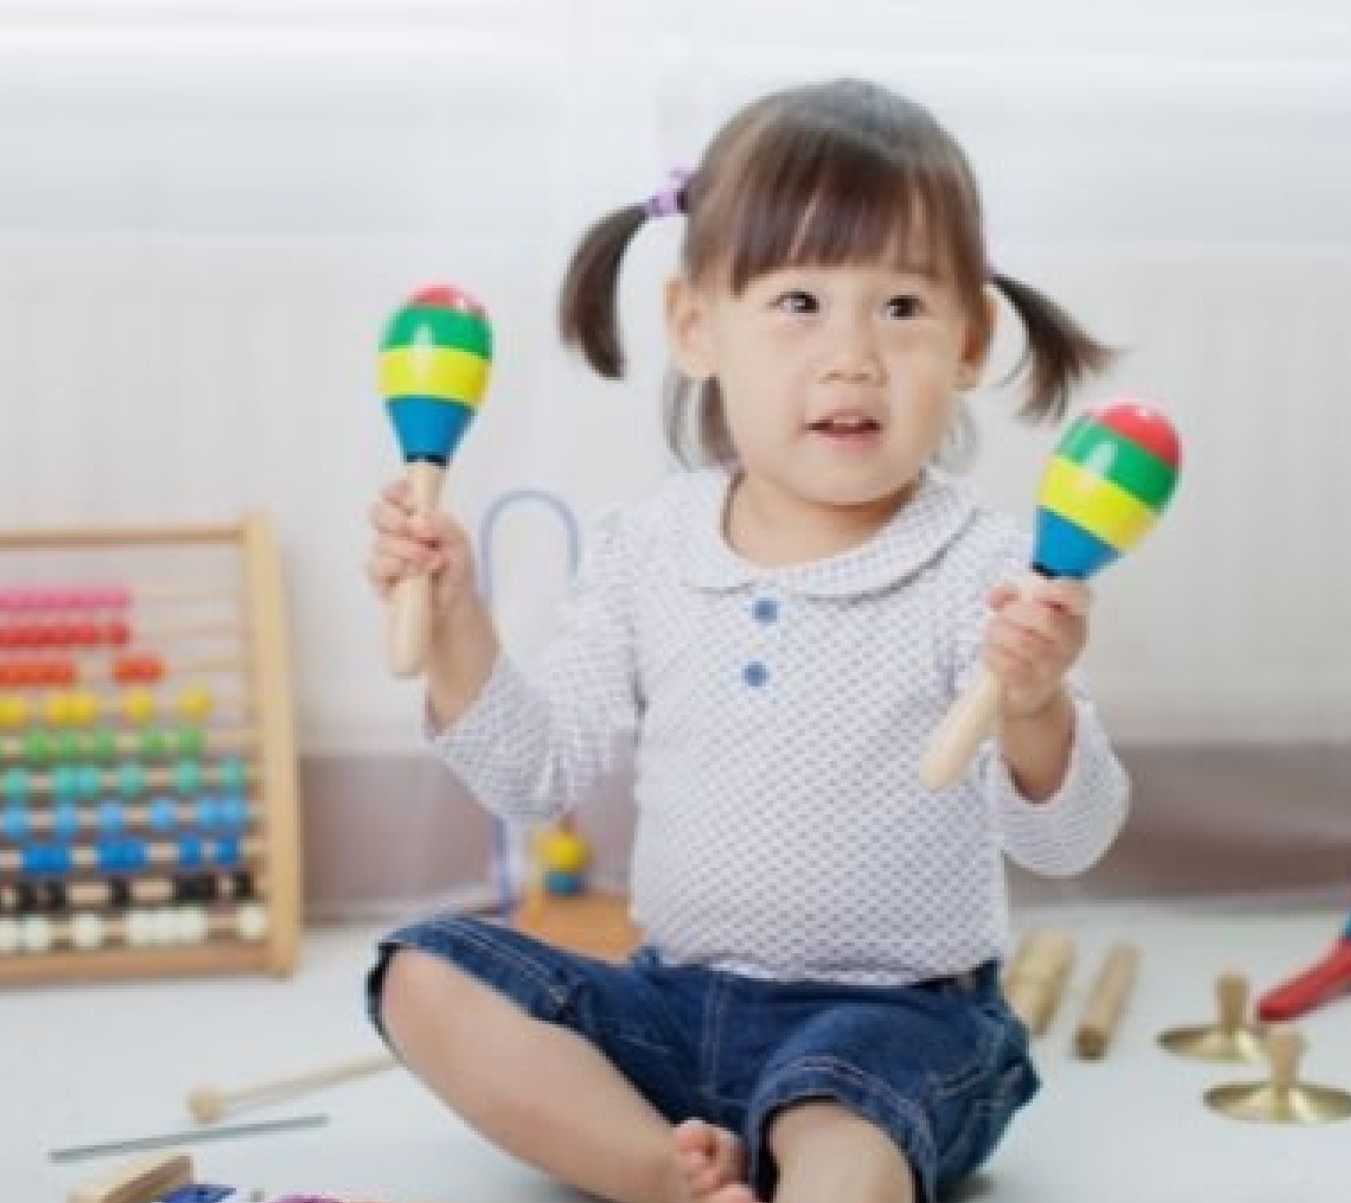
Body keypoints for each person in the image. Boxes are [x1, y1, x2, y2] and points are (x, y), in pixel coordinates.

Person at [360, 77, 1131, 1203]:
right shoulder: (646, 549)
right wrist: (456, 626)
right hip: (674, 1006)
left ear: (969, 339)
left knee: (843, 1133)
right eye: (800, 303)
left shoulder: (987, 571)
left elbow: (1071, 842)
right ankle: (663, 1172)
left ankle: (780, 1165)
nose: (852, 356)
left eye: (902, 309)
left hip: (898, 1024)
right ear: (694, 326)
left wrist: (1035, 706)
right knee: (421, 980)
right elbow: (534, 775)